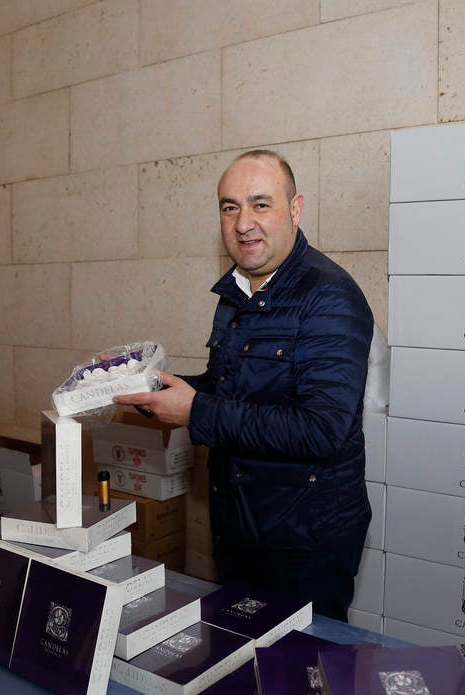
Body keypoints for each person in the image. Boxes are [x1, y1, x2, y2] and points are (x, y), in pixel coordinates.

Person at [114, 150, 373, 621]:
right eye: (229, 207)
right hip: (241, 530)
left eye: (260, 204)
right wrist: (158, 388)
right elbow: (227, 388)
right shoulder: (238, 291)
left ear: (295, 210)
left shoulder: (329, 297)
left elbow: (320, 429)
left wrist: (196, 412)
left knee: (299, 674)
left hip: (304, 543)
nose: (242, 223)